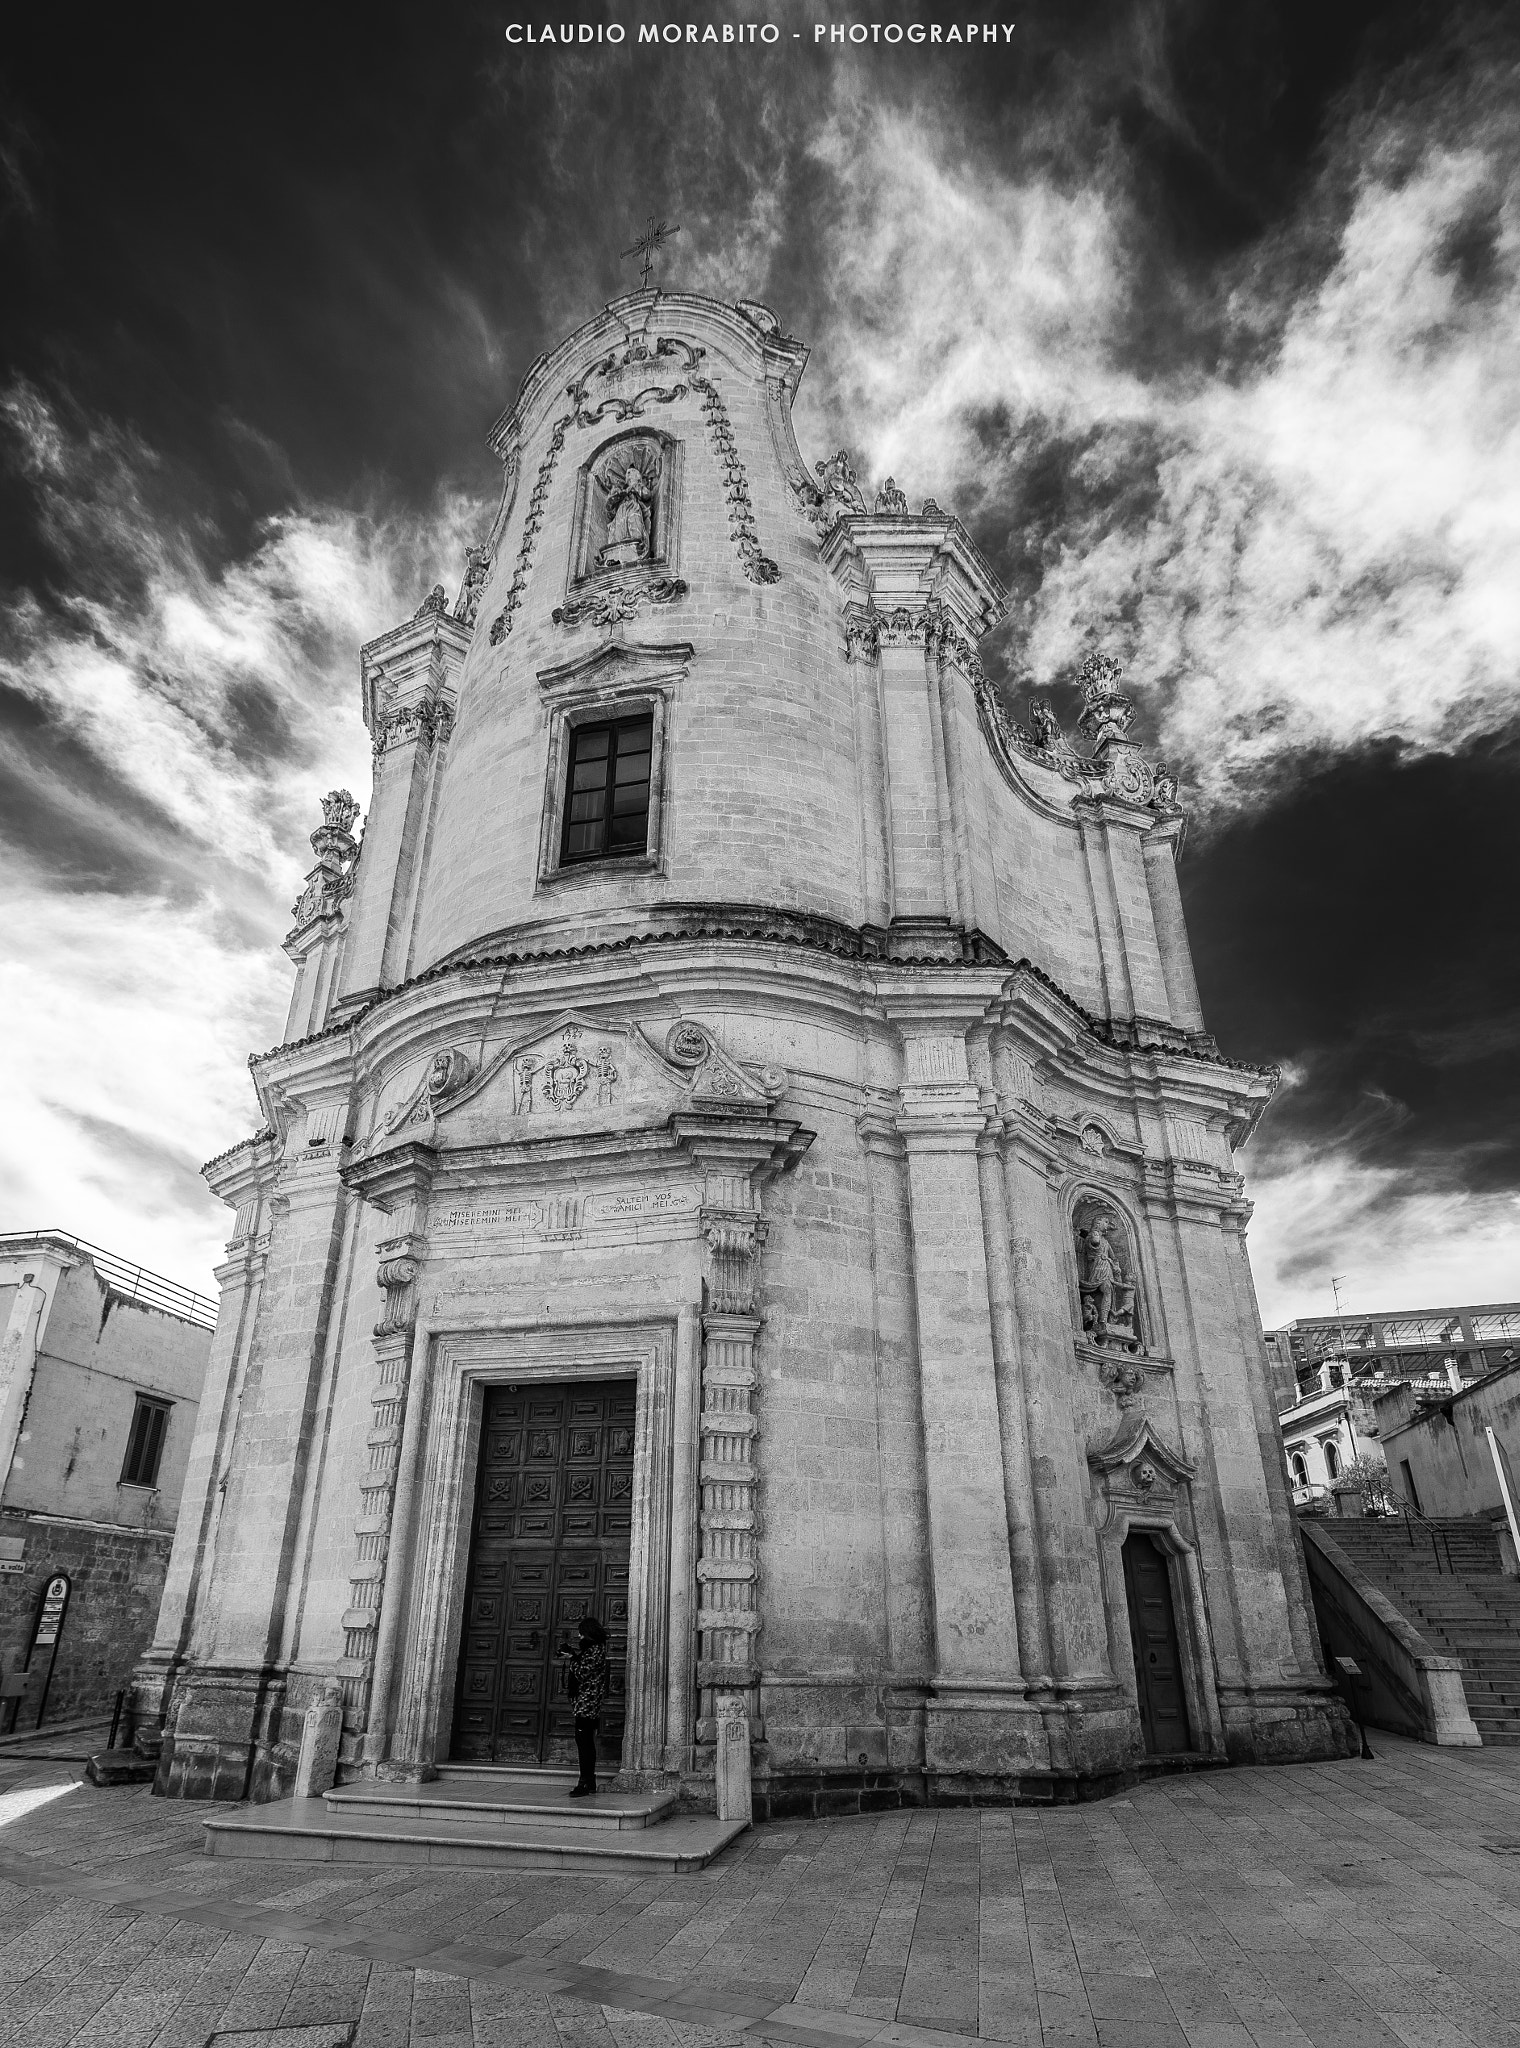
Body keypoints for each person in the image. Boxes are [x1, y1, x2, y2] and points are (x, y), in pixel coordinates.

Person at [560, 1614, 609, 1796]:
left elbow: (582, 1673)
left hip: (587, 1705)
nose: (579, 1638)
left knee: (584, 1743)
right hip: (585, 1704)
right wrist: (575, 1655)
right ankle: (589, 1780)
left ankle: (585, 1782)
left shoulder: (595, 1651)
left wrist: (573, 1658)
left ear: (588, 1634)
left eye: (581, 1634)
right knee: (585, 1742)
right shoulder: (593, 1651)